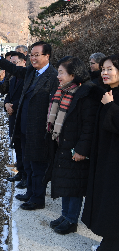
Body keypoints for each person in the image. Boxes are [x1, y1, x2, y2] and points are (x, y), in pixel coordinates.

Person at [0, 41, 59, 211]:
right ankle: (30, 193)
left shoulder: (53, 77)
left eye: (36, 55)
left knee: (38, 166)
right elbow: (14, 69)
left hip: (40, 130)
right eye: (31, 55)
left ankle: (38, 198)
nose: (32, 58)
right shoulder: (32, 72)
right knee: (29, 163)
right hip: (24, 126)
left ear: (47, 56)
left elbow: (54, 106)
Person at [44, 57, 103, 235]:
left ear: (73, 74)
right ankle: (64, 215)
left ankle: (71, 220)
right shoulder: (63, 91)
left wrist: (81, 150)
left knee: (74, 186)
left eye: (61, 72)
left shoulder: (86, 94)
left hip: (75, 147)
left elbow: (89, 126)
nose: (58, 76)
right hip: (64, 144)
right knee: (66, 182)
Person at [82, 54, 119, 250]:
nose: (104, 73)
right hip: (105, 158)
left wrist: (111, 106)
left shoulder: (110, 98)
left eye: (109, 69)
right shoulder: (107, 92)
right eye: (103, 69)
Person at [4, 52, 27, 189]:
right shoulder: (13, 79)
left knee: (24, 148)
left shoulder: (28, 78)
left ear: (24, 62)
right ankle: (20, 171)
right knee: (17, 146)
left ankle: (25, 176)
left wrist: (13, 106)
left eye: (15, 63)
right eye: (11, 63)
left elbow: (26, 97)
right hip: (13, 117)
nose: (13, 66)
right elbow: (8, 96)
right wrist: (7, 104)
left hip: (22, 117)